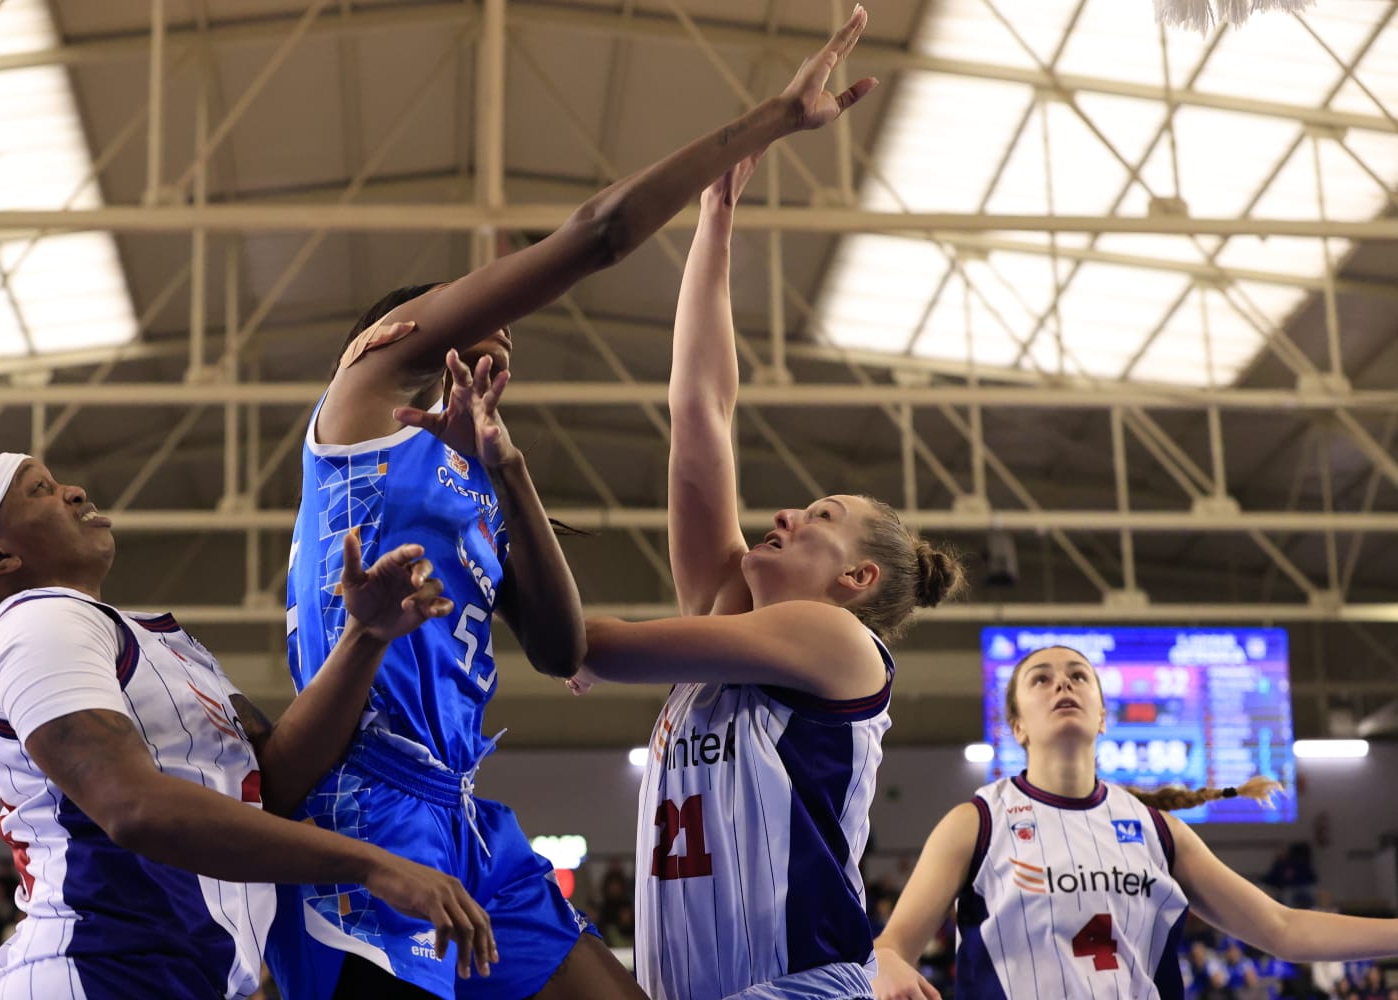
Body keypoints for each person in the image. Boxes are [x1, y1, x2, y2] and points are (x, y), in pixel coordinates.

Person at [270, 7, 887, 1000]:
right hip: (364, 806)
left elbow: (561, 650)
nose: (499, 360)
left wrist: (510, 471)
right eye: (487, 336)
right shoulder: (366, 392)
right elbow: (598, 236)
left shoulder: (476, 474)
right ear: (404, 331)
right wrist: (765, 122)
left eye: (509, 362)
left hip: (464, 813)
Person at [563, 123, 964, 998]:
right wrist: (716, 217)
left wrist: (541, 609)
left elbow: (608, 645)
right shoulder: (721, 612)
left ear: (855, 580)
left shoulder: (837, 644)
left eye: (818, 518)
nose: (783, 513)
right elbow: (701, 410)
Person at [0, 452, 496, 999]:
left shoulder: (149, 639)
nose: (74, 491)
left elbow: (273, 781)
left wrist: (364, 638)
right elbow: (132, 806)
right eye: (40, 490)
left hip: (172, 975)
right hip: (97, 971)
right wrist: (372, 863)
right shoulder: (34, 622)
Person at [870, 645, 1398, 1000]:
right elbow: (892, 946)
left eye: (1079, 676)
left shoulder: (1158, 831)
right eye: (1041, 679)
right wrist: (887, 963)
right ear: (1017, 726)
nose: (1063, 685)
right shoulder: (977, 822)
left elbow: (1284, 929)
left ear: (1102, 716)